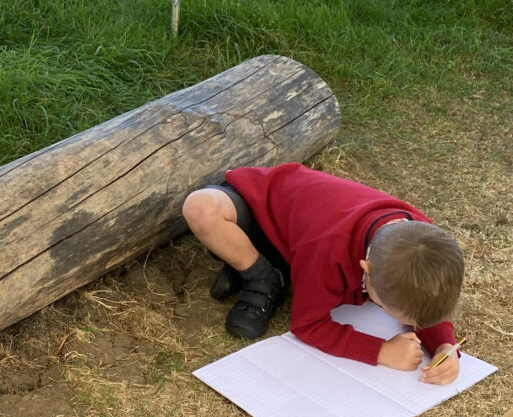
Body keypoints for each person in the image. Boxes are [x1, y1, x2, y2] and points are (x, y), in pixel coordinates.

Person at [182, 163, 464, 386]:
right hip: (258, 210)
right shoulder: (329, 252)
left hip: (301, 243)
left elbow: (425, 298)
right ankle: (260, 273)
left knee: (300, 261)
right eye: (391, 311)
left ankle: (248, 264)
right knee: (201, 207)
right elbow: (308, 325)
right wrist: (380, 351)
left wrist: (443, 344)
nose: (403, 323)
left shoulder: (426, 241)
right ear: (365, 271)